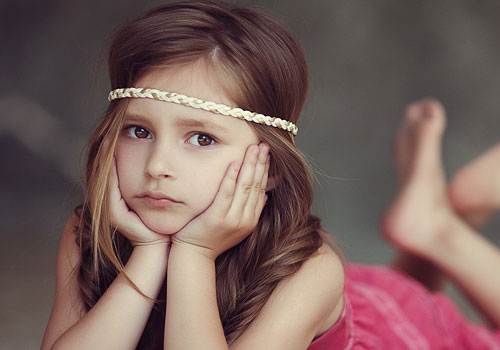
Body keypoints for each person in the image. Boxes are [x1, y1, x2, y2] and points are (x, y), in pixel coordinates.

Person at [39, 1, 500, 349]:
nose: (157, 166)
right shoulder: (88, 233)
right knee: (406, 293)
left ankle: (440, 230)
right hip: (365, 305)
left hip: (395, 332)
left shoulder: (310, 271)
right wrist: (147, 255)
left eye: (201, 138)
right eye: (138, 131)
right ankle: (433, 226)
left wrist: (194, 255)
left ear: (271, 169)